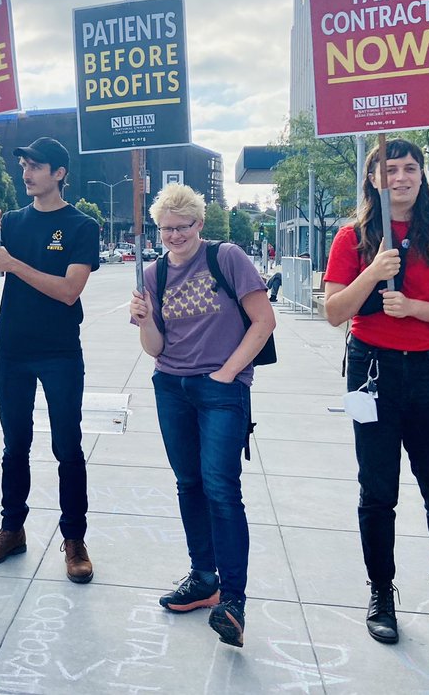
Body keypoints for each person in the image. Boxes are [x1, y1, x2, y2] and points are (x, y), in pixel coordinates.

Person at [323, 138, 429, 645]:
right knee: (377, 491)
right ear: (373, 179)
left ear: (421, 176)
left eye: (410, 168)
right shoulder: (352, 239)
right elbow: (333, 312)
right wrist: (374, 270)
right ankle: (380, 591)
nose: (401, 177)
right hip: (372, 372)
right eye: (389, 169)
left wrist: (414, 307)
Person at [129, 184, 275, 648]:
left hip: (221, 390)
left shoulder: (226, 258)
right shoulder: (153, 275)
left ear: (199, 224)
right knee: (188, 483)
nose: (173, 236)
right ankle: (203, 577)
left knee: (221, 488)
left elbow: (263, 321)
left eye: (182, 227)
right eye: (165, 228)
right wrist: (146, 319)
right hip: (171, 386)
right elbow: (154, 348)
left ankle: (233, 600)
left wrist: (227, 374)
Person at [0, 136, 100, 582]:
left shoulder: (82, 225)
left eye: (37, 165)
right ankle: (12, 529)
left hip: (60, 351)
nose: (27, 172)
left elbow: (69, 291)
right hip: (13, 349)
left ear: (59, 173)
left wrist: (15, 263)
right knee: (14, 446)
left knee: (67, 446)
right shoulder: (11, 222)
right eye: (24, 164)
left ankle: (74, 538)